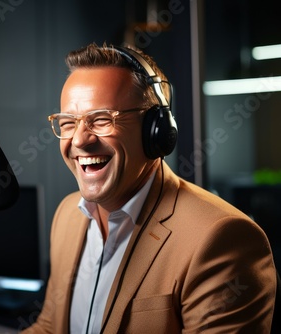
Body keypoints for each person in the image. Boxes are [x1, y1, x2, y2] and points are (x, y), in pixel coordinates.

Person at [21, 42, 277, 333]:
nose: (79, 140)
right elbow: (51, 326)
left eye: (102, 119)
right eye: (68, 123)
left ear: (156, 131)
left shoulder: (222, 238)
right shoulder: (67, 214)